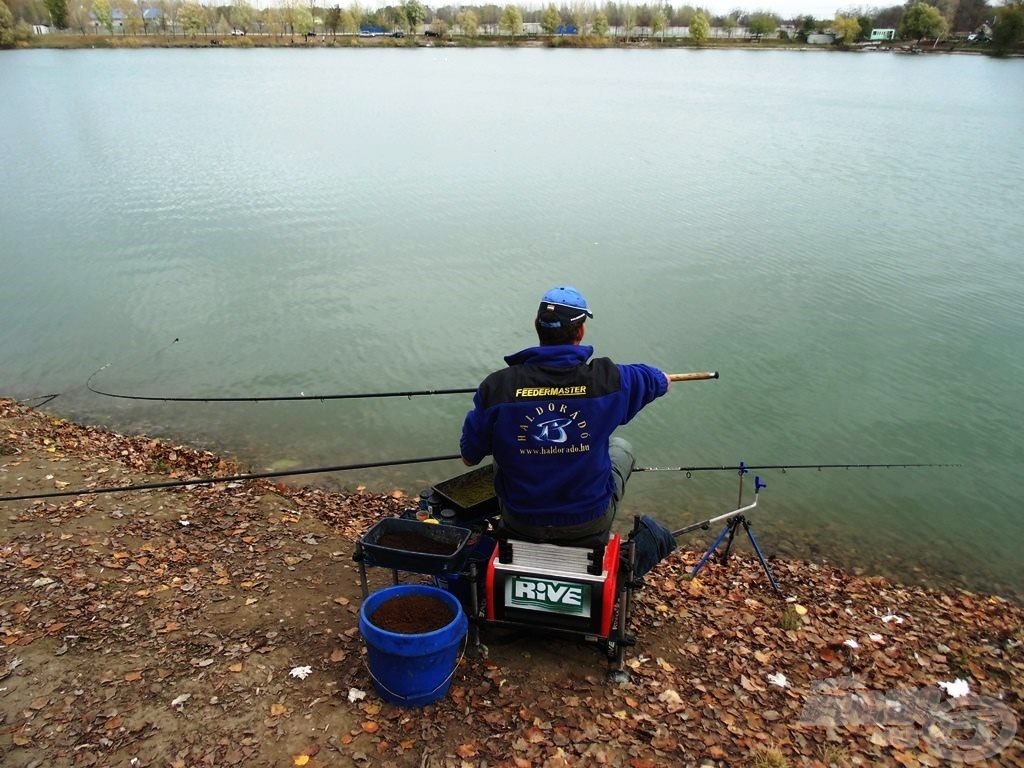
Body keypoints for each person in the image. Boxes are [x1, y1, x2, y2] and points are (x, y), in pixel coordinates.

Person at [459, 285, 673, 546]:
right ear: (581, 331)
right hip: (588, 522)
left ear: (536, 325)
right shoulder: (611, 380)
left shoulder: (496, 387)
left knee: (502, 455)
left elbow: (469, 458)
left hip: (520, 520)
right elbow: (655, 378)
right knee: (620, 447)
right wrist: (662, 380)